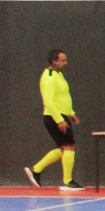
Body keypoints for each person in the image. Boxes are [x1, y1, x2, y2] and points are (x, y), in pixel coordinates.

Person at [25, 50, 84, 191]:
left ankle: (36, 169)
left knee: (64, 148)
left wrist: (71, 113)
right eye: (62, 60)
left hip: (62, 115)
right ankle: (67, 182)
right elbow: (49, 101)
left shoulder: (59, 75)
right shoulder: (49, 77)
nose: (66, 63)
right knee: (69, 146)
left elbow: (63, 97)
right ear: (54, 61)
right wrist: (59, 120)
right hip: (53, 117)